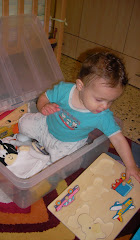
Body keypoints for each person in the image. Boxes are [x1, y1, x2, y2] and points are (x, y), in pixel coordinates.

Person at [18, 51, 140, 183]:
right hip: (46, 125)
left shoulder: (103, 116)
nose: (105, 106)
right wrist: (44, 107)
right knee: (24, 122)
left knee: (61, 166)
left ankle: (42, 155)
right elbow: (44, 97)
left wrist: (131, 166)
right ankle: (34, 144)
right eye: (99, 99)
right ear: (80, 86)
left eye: (111, 101)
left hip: (67, 144)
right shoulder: (64, 90)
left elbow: (118, 139)